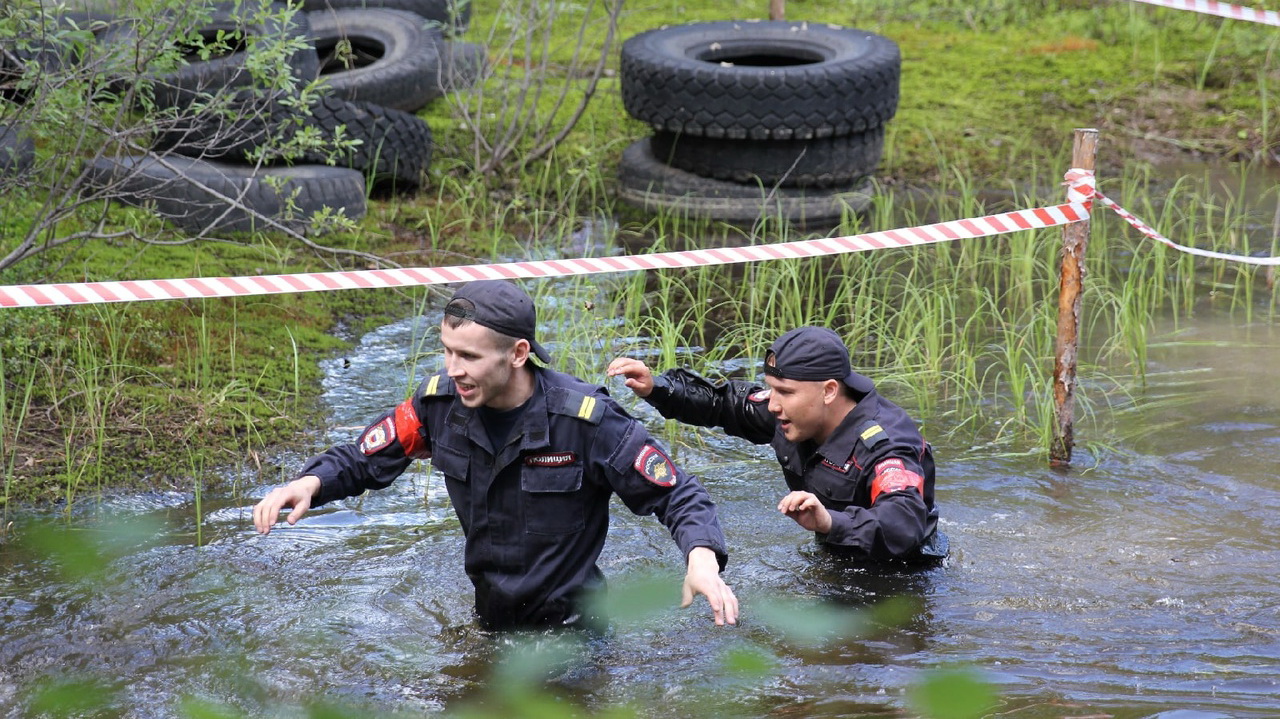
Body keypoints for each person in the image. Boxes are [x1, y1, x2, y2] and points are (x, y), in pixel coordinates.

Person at [254, 279, 738, 631]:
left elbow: (678, 495)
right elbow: (363, 457)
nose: (453, 370)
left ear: (518, 353)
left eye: (469, 357)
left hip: (572, 635)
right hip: (489, 621)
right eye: (448, 351)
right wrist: (308, 483)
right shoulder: (437, 407)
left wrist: (700, 558)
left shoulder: (584, 420)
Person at [607, 326, 946, 564]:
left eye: (785, 392)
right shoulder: (792, 413)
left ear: (828, 391)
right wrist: (657, 388)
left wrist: (829, 522)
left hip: (902, 580)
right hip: (837, 561)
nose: (772, 404)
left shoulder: (886, 446)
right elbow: (723, 404)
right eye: (772, 389)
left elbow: (903, 523)